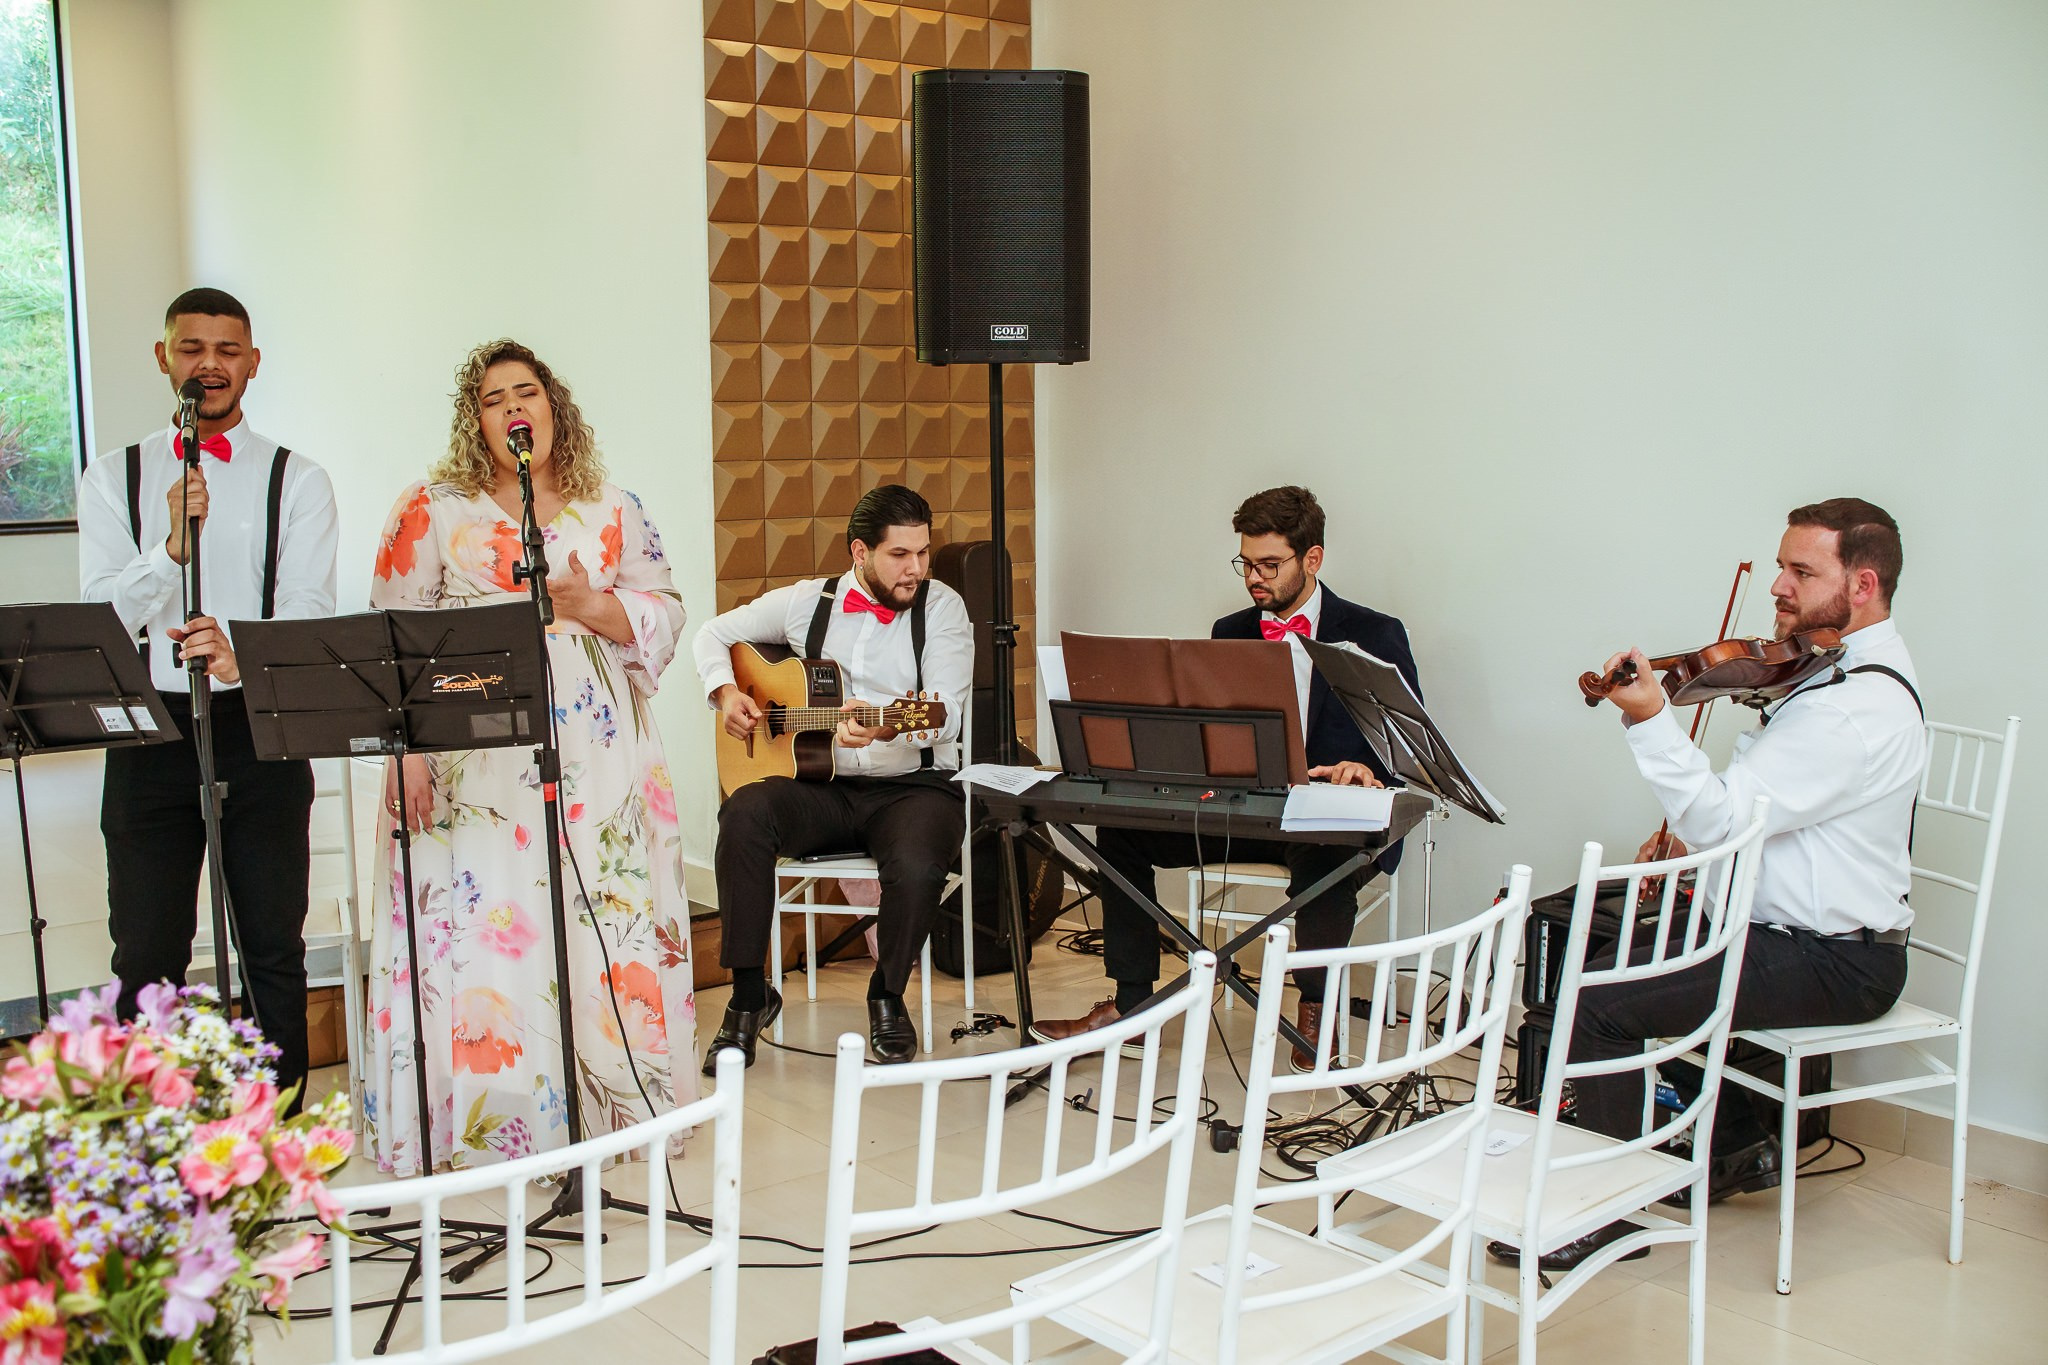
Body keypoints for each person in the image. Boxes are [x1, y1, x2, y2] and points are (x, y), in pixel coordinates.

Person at [1503, 497, 1925, 1273]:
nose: (1779, 586)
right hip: (1783, 928)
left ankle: (1605, 1212)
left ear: (1862, 585)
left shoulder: (1855, 708)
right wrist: (1694, 839)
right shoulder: (1833, 672)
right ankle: (1709, 1145)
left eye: (1802, 572)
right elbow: (1776, 815)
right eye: (1781, 566)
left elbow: (1729, 817)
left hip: (1836, 957)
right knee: (1604, 954)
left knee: (1601, 1001)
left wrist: (1649, 719)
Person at [365, 339, 696, 1176]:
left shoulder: (612, 505)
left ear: (555, 407)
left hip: (598, 759)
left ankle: (606, 1110)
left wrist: (596, 603)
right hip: (473, 765)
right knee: (488, 923)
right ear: (475, 421)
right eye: (493, 398)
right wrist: (404, 752)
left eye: (528, 392)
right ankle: (497, 1121)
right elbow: (387, 637)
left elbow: (666, 611)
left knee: (598, 916)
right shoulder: (431, 507)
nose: (514, 407)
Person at [1030, 485, 1421, 1070]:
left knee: (1328, 857)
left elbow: (1408, 747)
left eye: (1270, 565)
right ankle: (1134, 1007)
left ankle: (1316, 1006)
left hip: (1328, 819)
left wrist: (1367, 770)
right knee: (1120, 834)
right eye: (1246, 564)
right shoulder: (1231, 629)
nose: (1254, 579)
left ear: (1312, 559)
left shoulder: (1374, 632)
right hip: (1248, 811)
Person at [77, 287, 339, 1106]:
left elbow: (308, 611)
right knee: (146, 949)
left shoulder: (299, 479)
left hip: (259, 726)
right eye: (192, 348)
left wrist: (241, 656)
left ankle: (277, 1124)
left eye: (227, 350)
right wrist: (168, 551)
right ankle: (151, 1129)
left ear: (253, 363)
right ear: (165, 358)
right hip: (148, 731)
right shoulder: (111, 476)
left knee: (271, 943)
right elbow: (102, 621)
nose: (210, 365)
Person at [693, 485, 972, 1067]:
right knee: (743, 814)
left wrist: (886, 725)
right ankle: (749, 997)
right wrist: (726, 694)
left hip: (915, 788)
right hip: (823, 788)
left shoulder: (943, 607)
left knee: (918, 863)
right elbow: (711, 634)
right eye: (900, 555)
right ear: (859, 552)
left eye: (923, 552)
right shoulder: (806, 602)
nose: (916, 568)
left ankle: (887, 995)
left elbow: (945, 714)